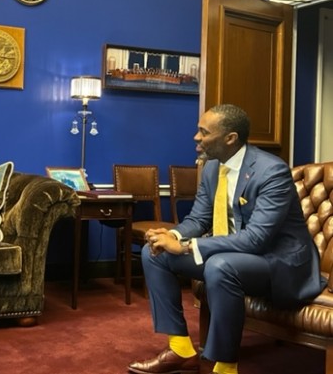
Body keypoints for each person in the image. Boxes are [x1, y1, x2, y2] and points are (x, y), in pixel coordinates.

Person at [127, 104, 325, 374]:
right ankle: (181, 350)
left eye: (204, 132)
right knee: (155, 253)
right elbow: (198, 219)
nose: (196, 137)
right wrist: (171, 235)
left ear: (230, 138)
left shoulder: (271, 171)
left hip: (279, 262)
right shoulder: (212, 169)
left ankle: (225, 367)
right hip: (234, 258)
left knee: (220, 265)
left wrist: (186, 246)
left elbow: (256, 239)